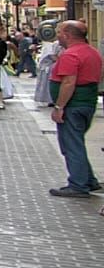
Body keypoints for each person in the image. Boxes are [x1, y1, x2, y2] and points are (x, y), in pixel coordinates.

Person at [47, 20, 102, 197]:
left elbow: (68, 82)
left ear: (68, 35)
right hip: (87, 103)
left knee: (71, 145)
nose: (57, 36)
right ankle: (88, 180)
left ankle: (78, 184)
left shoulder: (71, 55)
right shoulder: (92, 52)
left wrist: (59, 106)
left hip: (73, 105)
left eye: (59, 32)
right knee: (76, 142)